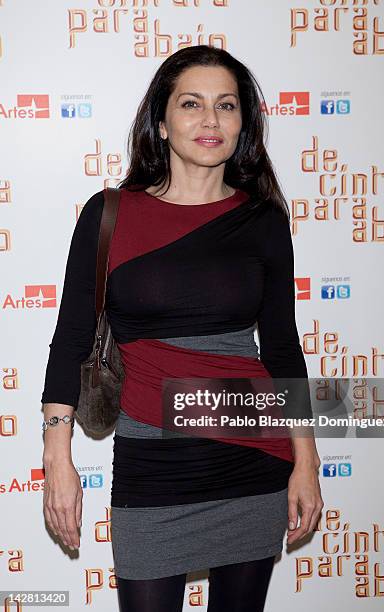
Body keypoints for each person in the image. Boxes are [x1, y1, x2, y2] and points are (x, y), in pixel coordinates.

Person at [41, 44, 323, 612]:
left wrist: (306, 461)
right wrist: (57, 458)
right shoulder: (109, 214)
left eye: (227, 105)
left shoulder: (262, 220)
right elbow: (72, 336)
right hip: (152, 465)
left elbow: (283, 347)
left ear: (243, 124)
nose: (210, 120)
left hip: (252, 459)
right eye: (192, 103)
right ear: (162, 122)